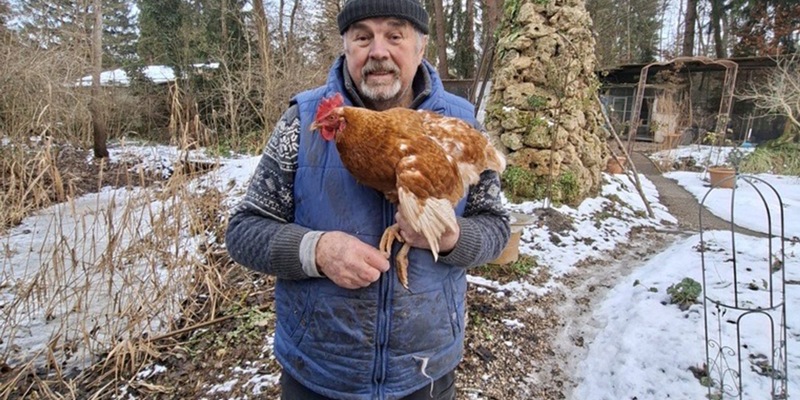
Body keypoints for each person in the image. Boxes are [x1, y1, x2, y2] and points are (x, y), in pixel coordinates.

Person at [225, 0, 510, 399]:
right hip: (319, 374)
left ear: (420, 47)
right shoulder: (302, 121)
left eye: (395, 35)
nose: (378, 51)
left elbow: (497, 226)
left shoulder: (461, 124)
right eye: (362, 37)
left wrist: (452, 238)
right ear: (346, 46)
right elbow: (243, 232)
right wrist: (317, 250)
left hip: (425, 373)